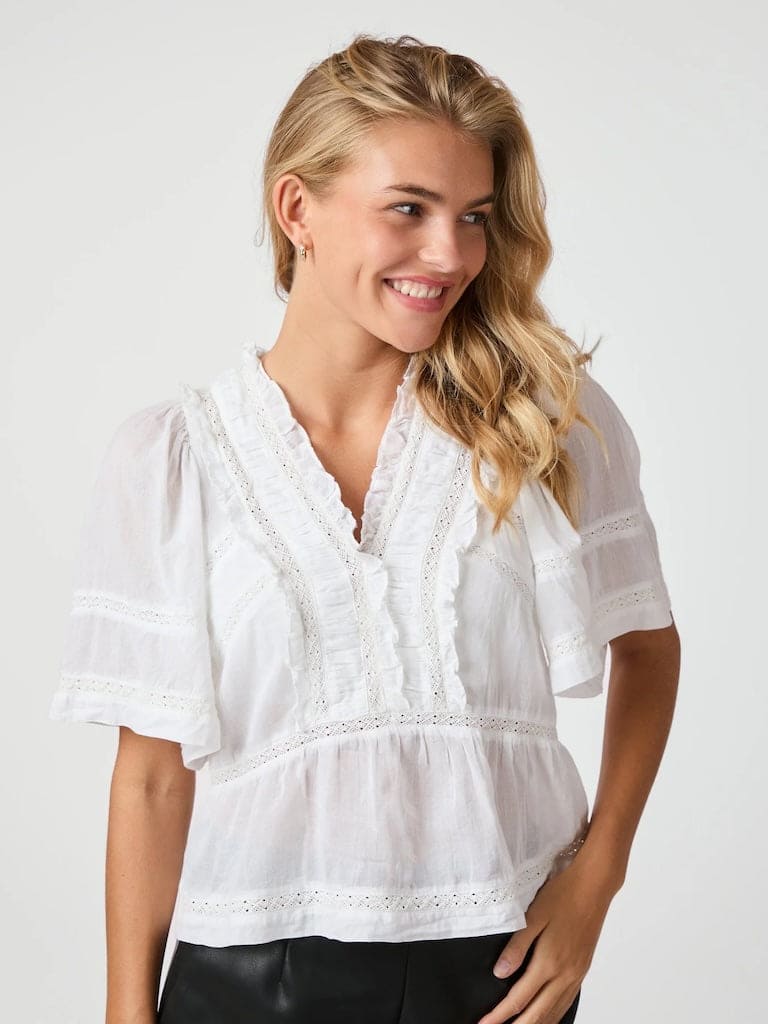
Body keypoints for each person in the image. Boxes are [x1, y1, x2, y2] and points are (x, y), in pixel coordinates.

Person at [48, 32, 681, 1024]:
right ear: (297, 209)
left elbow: (646, 645)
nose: (451, 254)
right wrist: (126, 1015)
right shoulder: (173, 461)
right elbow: (152, 779)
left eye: (474, 217)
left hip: (501, 970)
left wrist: (596, 881)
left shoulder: (542, 419)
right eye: (409, 209)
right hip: (249, 977)